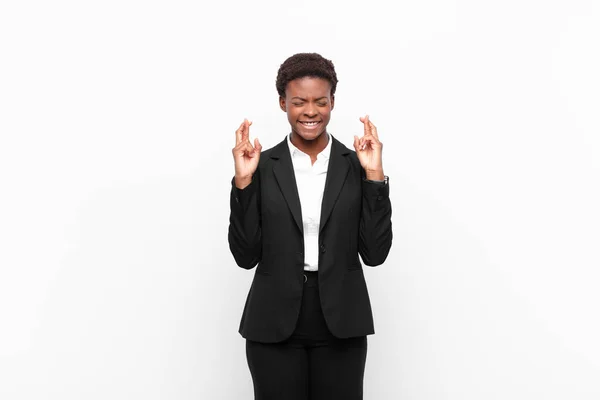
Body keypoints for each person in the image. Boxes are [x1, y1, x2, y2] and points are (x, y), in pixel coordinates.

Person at [228, 53, 392, 400]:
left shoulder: (354, 164)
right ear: (283, 103)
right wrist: (244, 182)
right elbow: (245, 255)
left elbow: (375, 253)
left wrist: (374, 176)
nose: (311, 111)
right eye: (299, 102)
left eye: (321, 101)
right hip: (273, 321)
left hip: (342, 320)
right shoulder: (263, 166)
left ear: (332, 102)